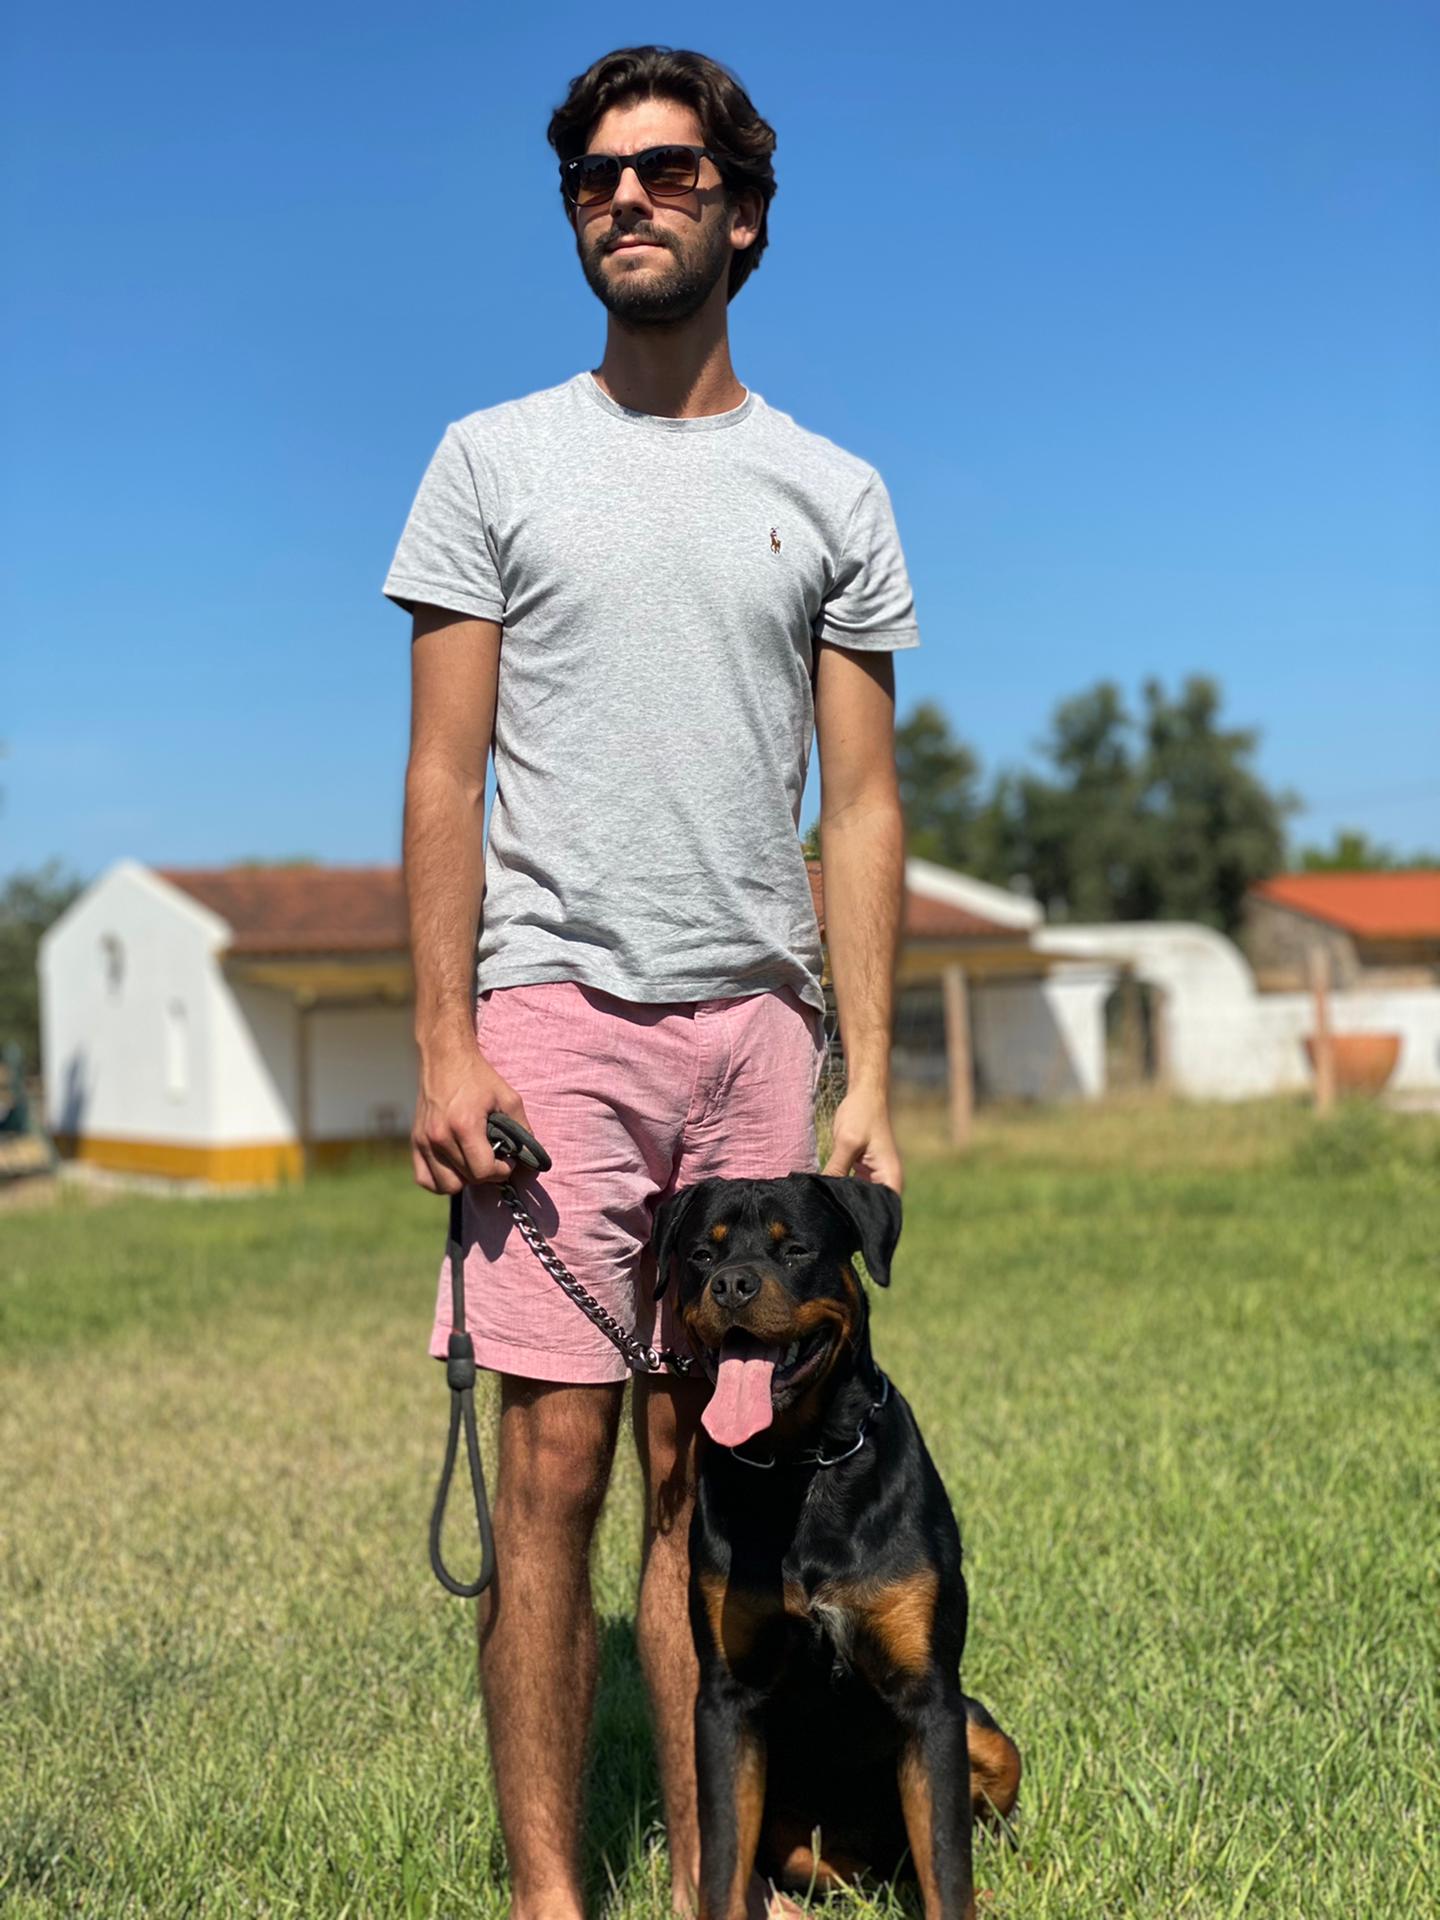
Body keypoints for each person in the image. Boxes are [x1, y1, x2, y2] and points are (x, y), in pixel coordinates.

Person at [382, 45, 918, 1920]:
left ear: (741, 212)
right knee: (555, 1469)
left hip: (760, 1037)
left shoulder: (831, 486)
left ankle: (721, 1881)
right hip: (552, 1021)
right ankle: (552, 1898)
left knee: (722, 1481)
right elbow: (443, 770)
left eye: (668, 169)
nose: (628, 195)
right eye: (598, 175)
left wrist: (860, 1072)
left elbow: (858, 801)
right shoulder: (491, 461)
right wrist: (444, 1043)